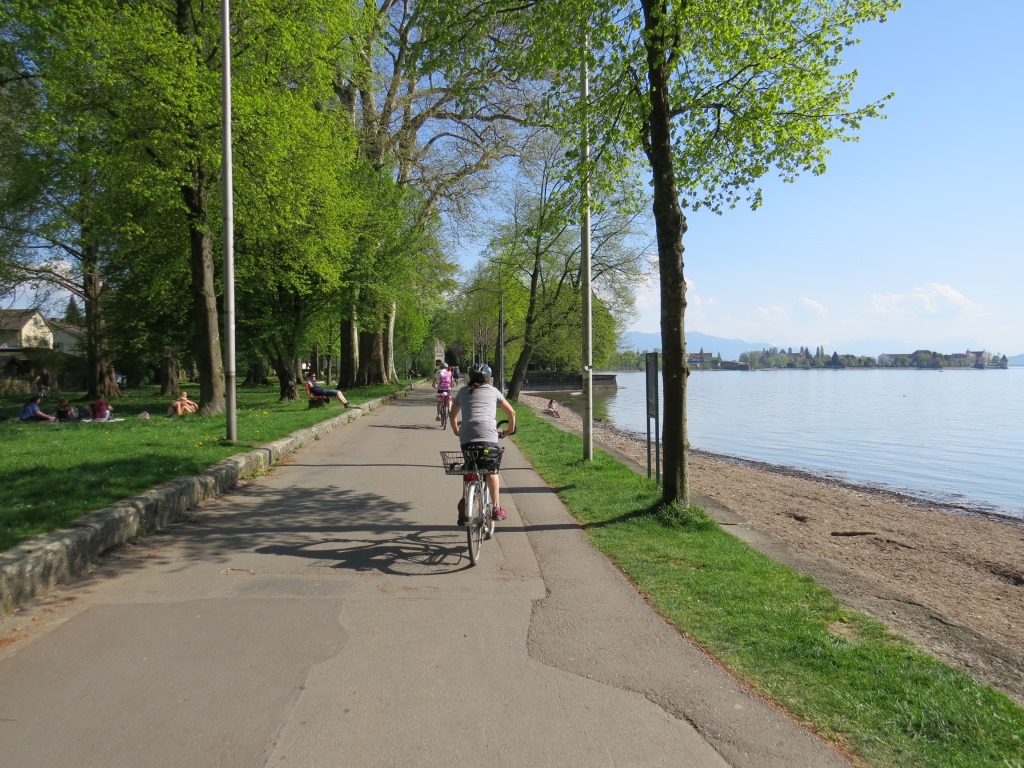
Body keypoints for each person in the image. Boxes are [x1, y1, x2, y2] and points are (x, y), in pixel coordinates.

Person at [450, 363, 516, 525]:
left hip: (467, 438)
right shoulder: (493, 391)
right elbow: (511, 413)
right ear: (488, 378)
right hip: (488, 438)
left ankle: (466, 502)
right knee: (491, 471)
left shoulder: (463, 391)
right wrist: (509, 430)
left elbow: (452, 415)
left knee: (470, 466)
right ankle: (496, 507)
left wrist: (457, 430)